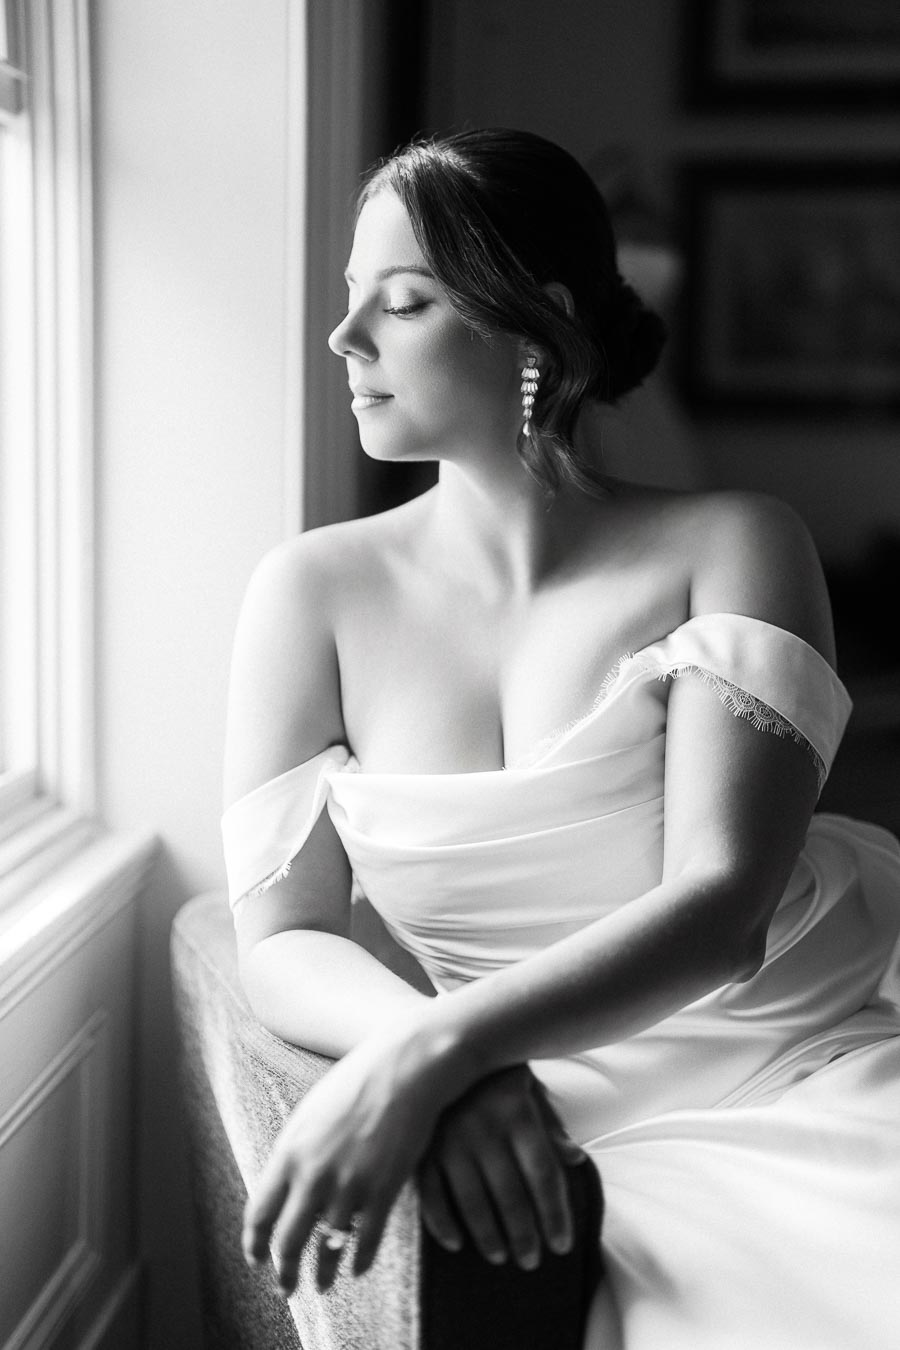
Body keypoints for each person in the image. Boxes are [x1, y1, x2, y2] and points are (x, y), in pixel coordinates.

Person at [220, 128, 900, 1348]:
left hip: (793, 1066)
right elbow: (280, 934)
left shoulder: (737, 542)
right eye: (348, 299)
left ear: (540, 322)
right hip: (548, 1118)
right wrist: (431, 1061)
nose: (346, 339)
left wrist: (443, 1044)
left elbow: (724, 903)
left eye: (406, 301)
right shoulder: (307, 594)